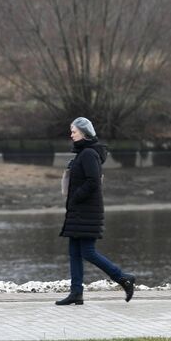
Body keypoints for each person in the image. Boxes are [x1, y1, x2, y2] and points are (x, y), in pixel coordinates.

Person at [56, 117, 136, 306]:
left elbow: (93, 181)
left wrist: (75, 197)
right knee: (74, 252)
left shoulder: (89, 154)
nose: (71, 134)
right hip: (78, 212)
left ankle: (123, 278)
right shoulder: (82, 154)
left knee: (88, 251)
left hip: (86, 212)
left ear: (83, 133)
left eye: (74, 131)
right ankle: (76, 292)